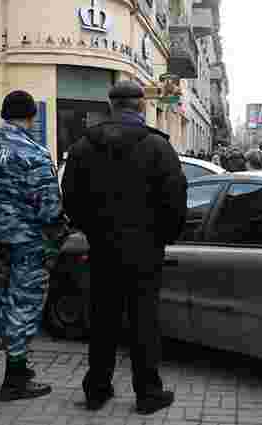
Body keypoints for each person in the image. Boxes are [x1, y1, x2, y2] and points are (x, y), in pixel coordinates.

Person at [62, 81, 188, 414]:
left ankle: (97, 390)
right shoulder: (158, 148)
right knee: (143, 321)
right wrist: (162, 237)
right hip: (145, 250)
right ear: (141, 106)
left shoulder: (82, 147)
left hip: (103, 247)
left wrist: (92, 230)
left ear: (111, 106)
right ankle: (147, 393)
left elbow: (71, 200)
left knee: (102, 319)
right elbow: (176, 201)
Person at [0, 90, 63, 401]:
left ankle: (18, 370)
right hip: (25, 245)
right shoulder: (34, 154)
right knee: (22, 308)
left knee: (2, 305)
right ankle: (14, 379)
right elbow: (49, 209)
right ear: (32, 117)